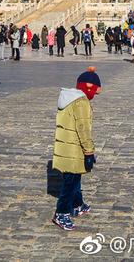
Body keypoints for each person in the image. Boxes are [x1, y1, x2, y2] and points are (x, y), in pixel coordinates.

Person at [51, 67, 101, 231]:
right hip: (73, 148)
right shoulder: (82, 103)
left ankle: (78, 204)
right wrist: (89, 151)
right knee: (70, 183)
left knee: (75, 177)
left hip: (66, 146)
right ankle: (61, 212)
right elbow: (83, 128)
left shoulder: (70, 98)